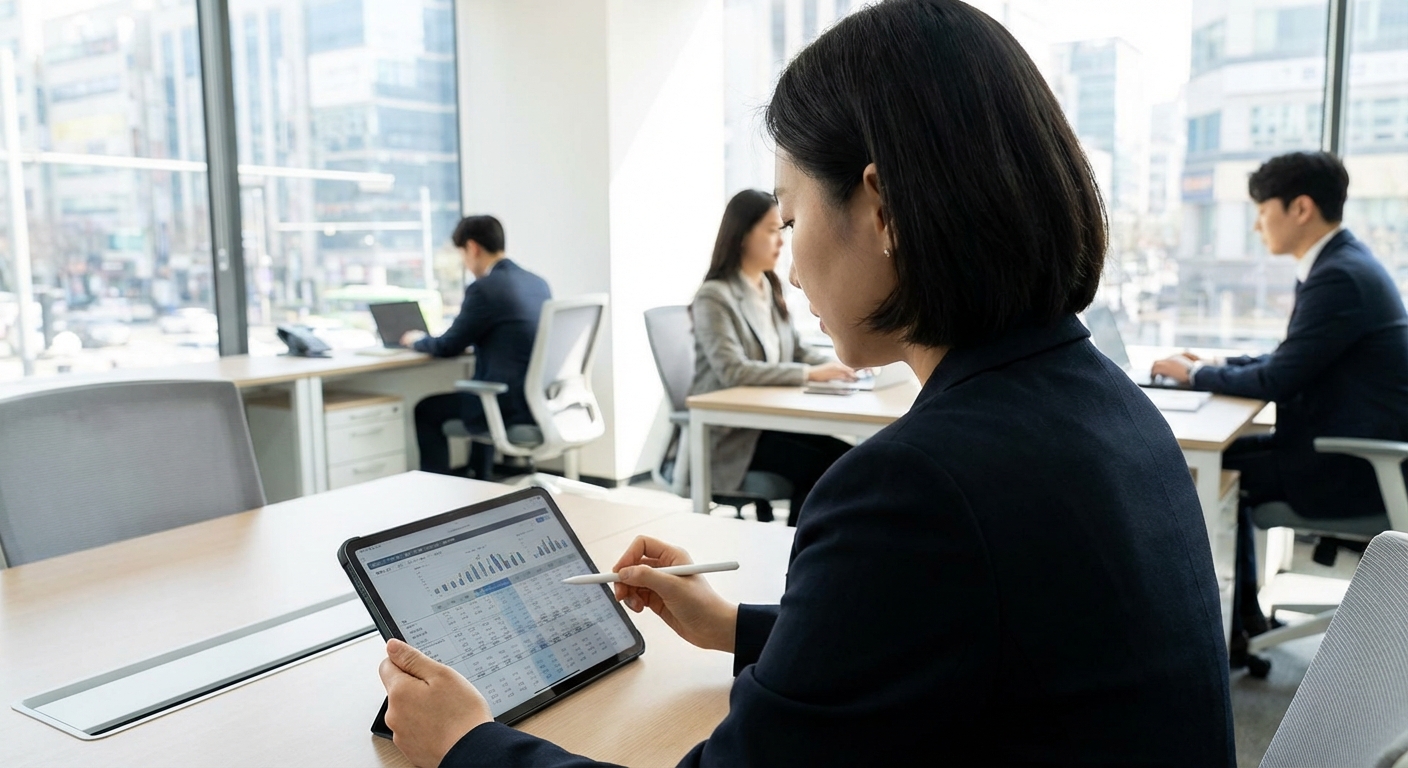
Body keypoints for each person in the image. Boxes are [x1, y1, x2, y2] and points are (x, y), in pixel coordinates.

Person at [376, 2, 1234, 765]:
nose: (788, 254)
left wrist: (467, 747)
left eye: (791, 216)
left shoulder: (915, 488)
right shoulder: (1109, 405)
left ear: (882, 208)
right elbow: (972, 632)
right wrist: (734, 627)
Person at [1152, 151, 1408, 662]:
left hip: (1350, 467)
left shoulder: (1339, 277)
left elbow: (1279, 377)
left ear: (1301, 208)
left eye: (1263, 210)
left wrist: (1197, 375)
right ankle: (1243, 618)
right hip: (1346, 446)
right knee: (1229, 458)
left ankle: (1230, 629)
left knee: (1209, 473)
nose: (1256, 224)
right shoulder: (1342, 263)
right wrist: (1214, 362)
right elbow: (1294, 358)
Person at [690, 188, 856, 525]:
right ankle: (799, 555)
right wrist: (809, 375)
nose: (780, 241)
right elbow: (734, 371)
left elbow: (794, 350)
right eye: (770, 230)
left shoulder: (768, 287)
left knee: (847, 458)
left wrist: (840, 365)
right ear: (741, 236)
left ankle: (805, 549)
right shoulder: (714, 297)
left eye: (783, 230)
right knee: (823, 467)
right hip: (733, 438)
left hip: (766, 427)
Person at [404, 215, 552, 478]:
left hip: (508, 404)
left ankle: (434, 496)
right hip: (539, 400)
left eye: (462, 253)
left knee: (427, 410)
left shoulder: (484, 289)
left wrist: (415, 340)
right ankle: (480, 478)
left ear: (472, 248)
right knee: (479, 389)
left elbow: (448, 345)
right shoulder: (537, 283)